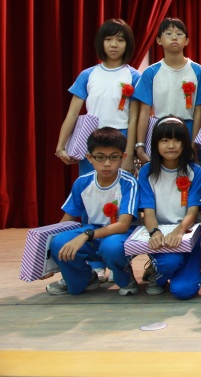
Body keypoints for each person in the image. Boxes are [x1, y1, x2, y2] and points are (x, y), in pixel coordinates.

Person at [54, 18, 140, 284]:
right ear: (100, 43)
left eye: (120, 40)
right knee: (91, 202)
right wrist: (61, 145)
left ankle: (117, 259)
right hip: (92, 144)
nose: (114, 44)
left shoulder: (134, 76)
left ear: (128, 44)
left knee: (120, 204)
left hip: (121, 143)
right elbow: (72, 113)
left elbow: (135, 118)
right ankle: (94, 264)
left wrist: (130, 153)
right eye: (109, 39)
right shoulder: (88, 75)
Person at [47, 128, 139, 296]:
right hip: (92, 233)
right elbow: (67, 220)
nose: (107, 163)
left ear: (123, 157)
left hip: (119, 235)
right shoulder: (82, 182)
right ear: (89, 158)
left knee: (112, 247)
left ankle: (125, 278)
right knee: (59, 241)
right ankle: (85, 278)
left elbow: (123, 225)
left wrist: (86, 235)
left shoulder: (129, 183)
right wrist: (48, 261)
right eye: (100, 157)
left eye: (114, 157)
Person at [138, 116, 201, 299]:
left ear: (185, 143)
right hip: (160, 233)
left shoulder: (195, 171)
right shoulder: (147, 172)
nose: (171, 146)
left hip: (186, 233)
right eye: (165, 140)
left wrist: (179, 231)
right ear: (155, 143)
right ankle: (159, 274)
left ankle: (184, 272)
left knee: (184, 291)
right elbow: (148, 211)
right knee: (169, 262)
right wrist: (154, 232)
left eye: (177, 140)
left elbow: (193, 210)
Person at [133, 18, 201, 163]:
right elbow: (144, 112)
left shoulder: (198, 71)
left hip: (189, 130)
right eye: (168, 33)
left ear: (187, 41)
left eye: (179, 34)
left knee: (191, 174)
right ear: (158, 40)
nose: (174, 37)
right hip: (161, 131)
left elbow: (199, 112)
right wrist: (140, 146)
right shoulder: (151, 72)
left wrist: (194, 145)